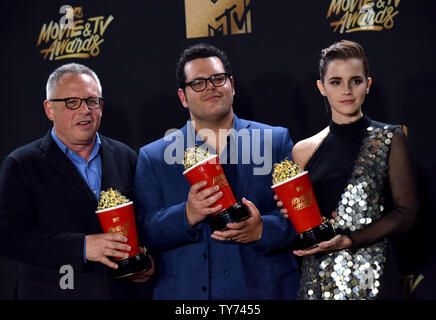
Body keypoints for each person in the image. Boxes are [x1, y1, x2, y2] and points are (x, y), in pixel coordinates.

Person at [133, 43, 299, 299]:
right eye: (198, 83)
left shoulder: (275, 141)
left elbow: (300, 216)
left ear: (232, 84)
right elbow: (144, 231)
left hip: (267, 291)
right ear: (182, 97)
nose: (210, 87)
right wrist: (187, 214)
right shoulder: (154, 157)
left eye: (217, 79)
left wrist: (261, 229)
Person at [276, 40, 418, 300]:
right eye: (336, 82)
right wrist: (292, 210)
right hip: (318, 279)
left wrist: (349, 240)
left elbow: (406, 213)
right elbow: (302, 223)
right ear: (321, 88)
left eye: (355, 80)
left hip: (373, 276)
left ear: (368, 84)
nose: (347, 90)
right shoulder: (302, 150)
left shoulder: (389, 138)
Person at [0, 63, 154, 299]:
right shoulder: (22, 163)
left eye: (92, 101)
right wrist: (82, 247)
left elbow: (145, 221)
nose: (85, 110)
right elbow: (9, 236)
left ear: (101, 107)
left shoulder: (126, 156)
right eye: (72, 102)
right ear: (49, 109)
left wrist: (147, 259)